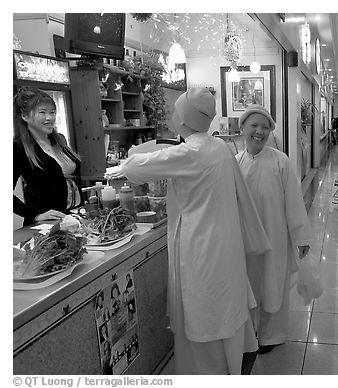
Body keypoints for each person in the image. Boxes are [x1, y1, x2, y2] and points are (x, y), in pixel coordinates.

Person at [105, 87, 272, 374]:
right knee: (225, 308)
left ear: (185, 119)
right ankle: (231, 366)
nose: (171, 116)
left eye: (174, 111)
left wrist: (149, 150)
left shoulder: (190, 151)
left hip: (201, 248)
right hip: (225, 245)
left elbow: (134, 167)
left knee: (204, 312)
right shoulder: (219, 146)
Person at [235, 106, 313, 354]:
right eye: (254, 126)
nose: (259, 132)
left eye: (265, 127)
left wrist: (301, 237)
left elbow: (294, 202)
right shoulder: (235, 163)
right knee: (248, 285)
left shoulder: (280, 161)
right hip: (245, 240)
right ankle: (251, 333)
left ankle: (271, 335)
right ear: (243, 129)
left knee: (273, 284)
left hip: (275, 236)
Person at [13, 87, 82, 226]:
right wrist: (35, 215)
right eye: (42, 112)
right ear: (24, 116)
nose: (50, 118)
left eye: (52, 112)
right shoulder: (18, 148)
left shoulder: (60, 140)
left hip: (73, 217)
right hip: (46, 225)